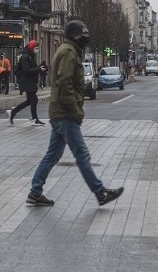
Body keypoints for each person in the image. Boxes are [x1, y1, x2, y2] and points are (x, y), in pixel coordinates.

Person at [26, 20, 124, 207]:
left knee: (52, 155)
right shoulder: (68, 53)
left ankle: (35, 192)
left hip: (59, 111)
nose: (85, 38)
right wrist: (74, 109)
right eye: (82, 34)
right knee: (82, 155)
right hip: (65, 113)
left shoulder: (68, 50)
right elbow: (64, 83)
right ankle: (100, 192)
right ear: (74, 35)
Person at [9, 40, 47, 125]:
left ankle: (13, 111)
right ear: (31, 47)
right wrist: (38, 69)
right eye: (36, 48)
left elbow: (31, 68)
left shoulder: (30, 56)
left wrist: (40, 68)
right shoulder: (25, 57)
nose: (37, 50)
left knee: (30, 100)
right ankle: (34, 119)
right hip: (27, 81)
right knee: (33, 100)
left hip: (30, 81)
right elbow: (26, 70)